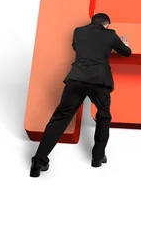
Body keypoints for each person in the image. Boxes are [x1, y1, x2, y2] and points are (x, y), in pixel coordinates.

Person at [30, 13, 131, 177]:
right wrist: (125, 45)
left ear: (93, 22)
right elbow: (126, 52)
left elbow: (76, 47)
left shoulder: (79, 31)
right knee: (103, 117)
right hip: (99, 82)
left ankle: (38, 161)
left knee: (60, 119)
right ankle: (97, 157)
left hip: (76, 79)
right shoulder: (110, 34)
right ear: (106, 24)